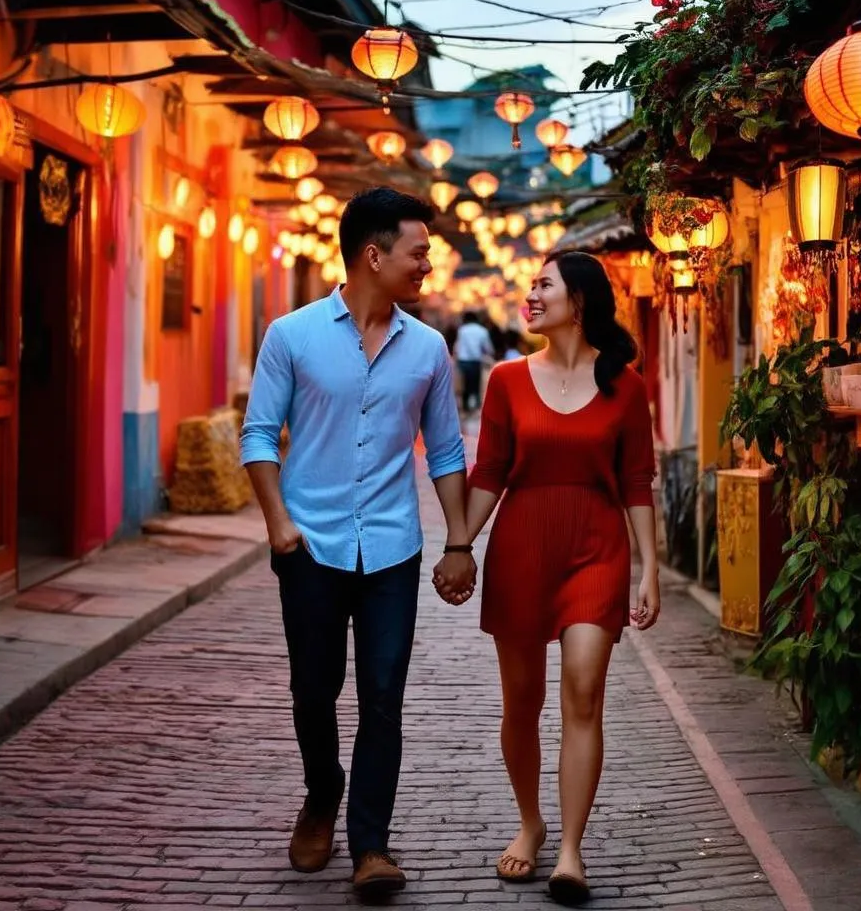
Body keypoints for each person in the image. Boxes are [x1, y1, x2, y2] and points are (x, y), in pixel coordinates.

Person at [240, 187, 477, 902]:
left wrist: (459, 543)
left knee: (382, 696)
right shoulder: (292, 335)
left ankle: (370, 842)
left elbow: (443, 450)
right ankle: (323, 793)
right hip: (308, 547)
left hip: (393, 553)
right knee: (313, 692)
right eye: (418, 253)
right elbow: (257, 434)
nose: (427, 268)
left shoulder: (429, 348)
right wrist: (278, 522)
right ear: (373, 255)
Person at [460, 250, 659, 906]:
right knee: (522, 701)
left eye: (544, 285)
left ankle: (570, 847)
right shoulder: (508, 379)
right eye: (532, 286)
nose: (531, 295)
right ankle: (530, 822)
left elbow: (637, 484)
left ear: (580, 300)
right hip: (522, 547)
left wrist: (649, 567)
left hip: (597, 548)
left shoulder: (625, 386)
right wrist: (459, 543)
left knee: (582, 691)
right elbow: (489, 472)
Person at [454, 310, 494, 413]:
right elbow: (487, 347)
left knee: (465, 382)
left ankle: (465, 405)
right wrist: (490, 353)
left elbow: (458, 345)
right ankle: (477, 405)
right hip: (476, 360)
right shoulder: (482, 330)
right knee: (475, 382)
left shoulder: (462, 330)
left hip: (463, 360)